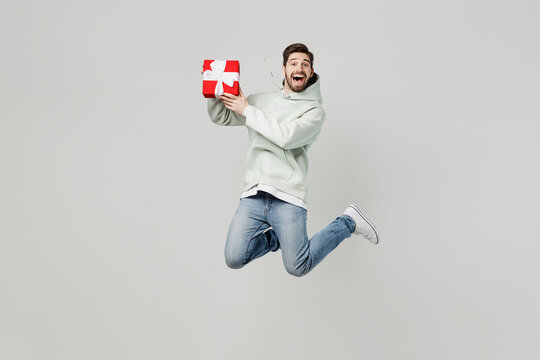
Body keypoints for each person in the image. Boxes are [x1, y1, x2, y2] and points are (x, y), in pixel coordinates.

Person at [206, 43, 379, 277]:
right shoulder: (259, 101)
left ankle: (348, 222)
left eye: (305, 65)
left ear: (310, 73)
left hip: (288, 198)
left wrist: (248, 110)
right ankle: (276, 237)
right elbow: (221, 116)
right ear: (284, 69)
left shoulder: (314, 111)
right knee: (234, 257)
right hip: (254, 194)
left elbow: (286, 137)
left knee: (297, 267)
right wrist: (214, 88)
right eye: (294, 63)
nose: (299, 68)